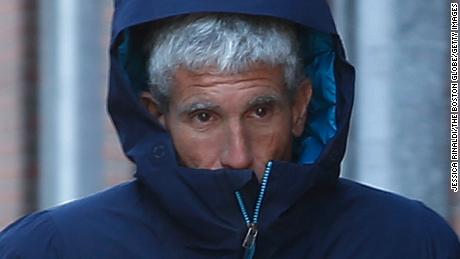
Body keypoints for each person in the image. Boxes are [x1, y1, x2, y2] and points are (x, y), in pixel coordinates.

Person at [1, 0, 459, 258]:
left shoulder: (409, 241)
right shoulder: (53, 249)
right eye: (204, 117)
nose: (236, 155)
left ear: (301, 106)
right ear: (155, 114)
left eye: (260, 112)